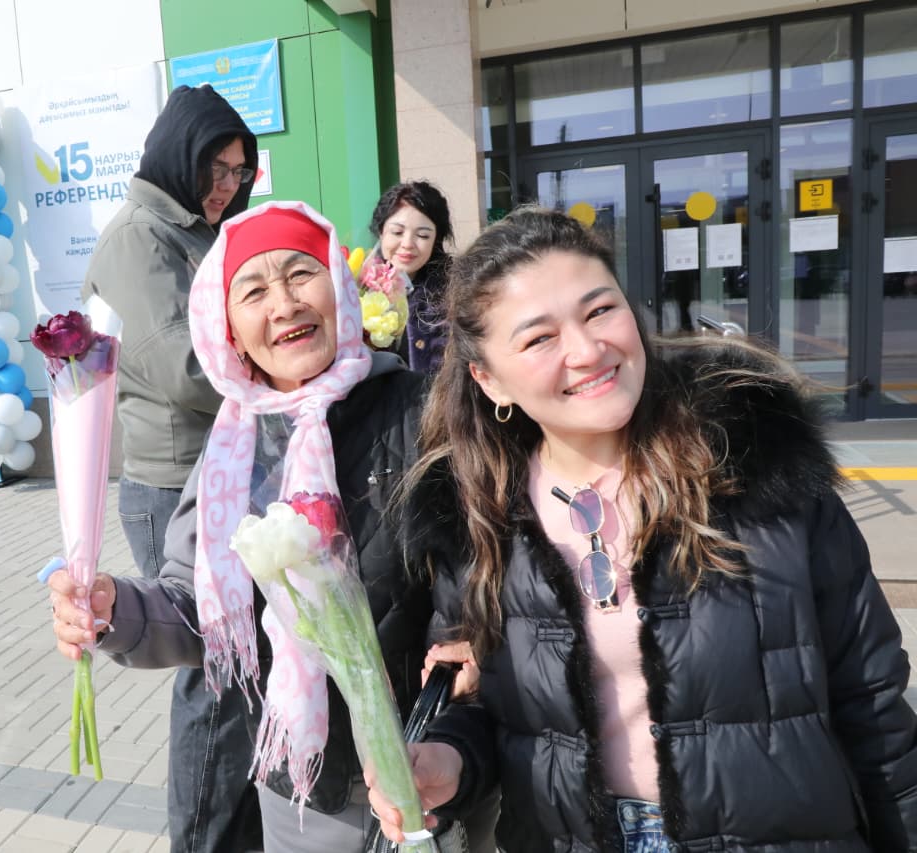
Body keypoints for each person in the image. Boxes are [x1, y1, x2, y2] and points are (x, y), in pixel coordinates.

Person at [371, 206, 917, 851]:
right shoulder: (472, 519)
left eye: (600, 310)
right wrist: (449, 762)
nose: (587, 350)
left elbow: (871, 699)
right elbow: (492, 711)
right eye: (539, 339)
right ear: (490, 381)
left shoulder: (757, 468)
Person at [52, 202, 436, 852]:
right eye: (253, 291)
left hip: (428, 761)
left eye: (301, 274)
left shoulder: (421, 410)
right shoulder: (234, 446)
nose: (284, 304)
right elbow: (193, 605)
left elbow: (479, 575)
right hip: (303, 781)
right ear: (227, 327)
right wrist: (114, 608)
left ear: (341, 290)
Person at [81, 83, 260, 853]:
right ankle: (202, 839)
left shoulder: (198, 230)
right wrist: (286, 368)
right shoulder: (138, 238)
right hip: (171, 484)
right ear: (178, 156)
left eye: (239, 171)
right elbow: (185, 367)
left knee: (240, 661)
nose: (226, 184)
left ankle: (241, 823)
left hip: (220, 469)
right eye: (215, 167)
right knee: (211, 669)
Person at [369, 180, 454, 373]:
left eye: (422, 235)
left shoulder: (454, 291)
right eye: (397, 232)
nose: (407, 244)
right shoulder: (355, 287)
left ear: (436, 240)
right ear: (381, 232)